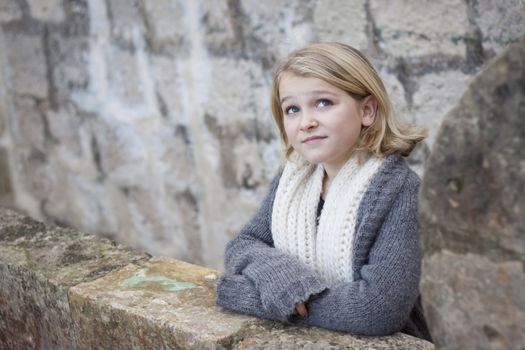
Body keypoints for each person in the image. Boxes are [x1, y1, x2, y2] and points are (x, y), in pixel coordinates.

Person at [215, 42, 432, 342]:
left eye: (323, 103)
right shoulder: (295, 179)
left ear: (367, 110)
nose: (306, 122)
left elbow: (377, 308)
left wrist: (253, 297)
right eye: (292, 109)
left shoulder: (399, 191)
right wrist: (280, 278)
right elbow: (243, 244)